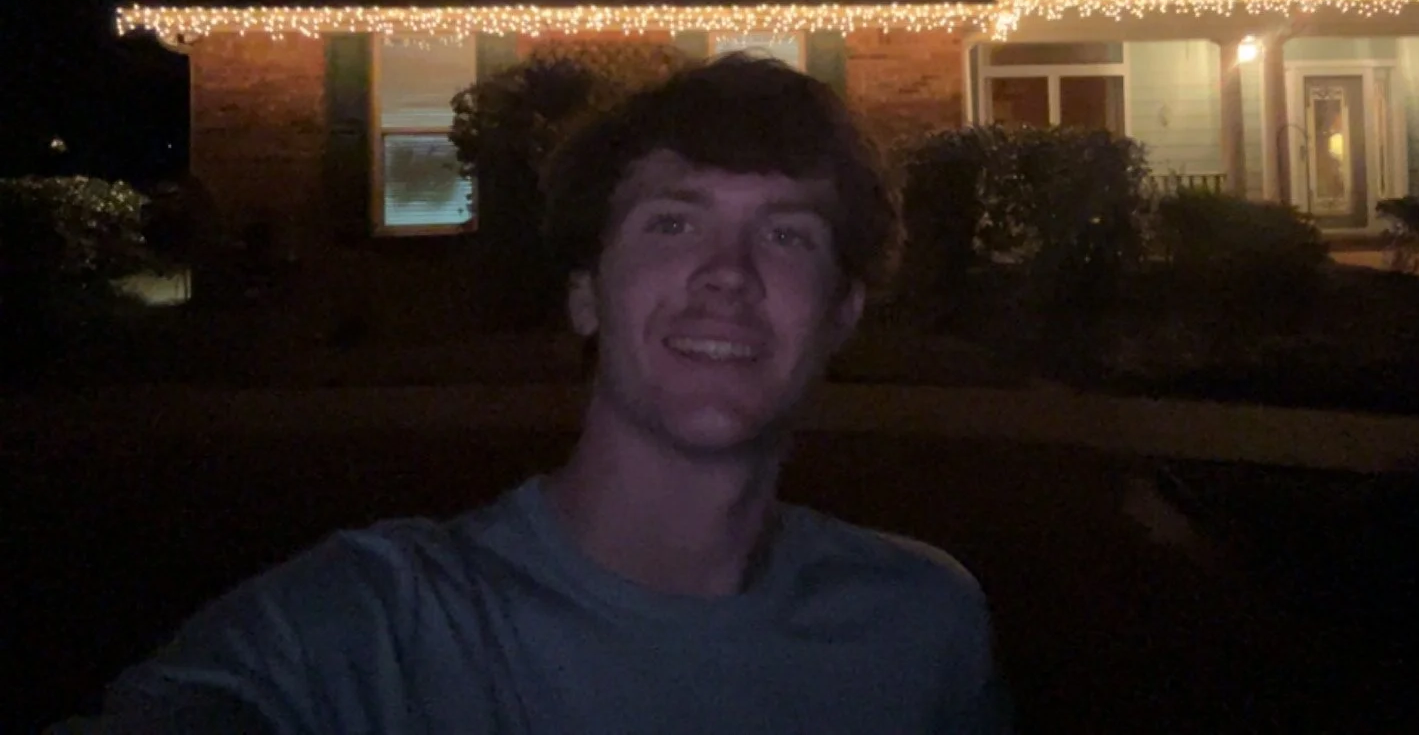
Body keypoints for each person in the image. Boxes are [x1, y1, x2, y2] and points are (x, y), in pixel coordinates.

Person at [74, 54, 1011, 733]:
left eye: (787, 234)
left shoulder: (923, 627)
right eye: (673, 223)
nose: (727, 273)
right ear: (586, 292)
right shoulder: (373, 629)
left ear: (843, 312)